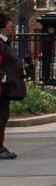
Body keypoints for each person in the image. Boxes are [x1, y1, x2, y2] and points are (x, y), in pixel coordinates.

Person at [0, 12, 23, 160]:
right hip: (2, 88)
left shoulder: (5, 43)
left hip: (5, 89)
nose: (12, 29)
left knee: (3, 116)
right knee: (1, 116)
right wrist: (4, 77)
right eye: (9, 26)